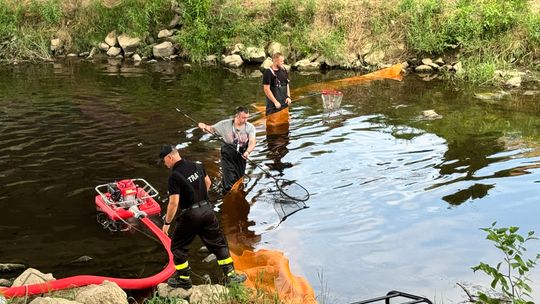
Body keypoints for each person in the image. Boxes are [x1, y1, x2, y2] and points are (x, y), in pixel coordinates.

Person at [159, 145, 246, 289]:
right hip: (207, 210)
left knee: (178, 247)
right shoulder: (197, 166)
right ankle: (231, 276)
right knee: (218, 243)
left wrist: (167, 222)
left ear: (170, 157)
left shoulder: (174, 176)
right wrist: (201, 198)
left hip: (190, 215)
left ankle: (184, 279)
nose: (165, 164)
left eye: (164, 161)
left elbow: (173, 203)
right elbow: (208, 183)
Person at [197, 106, 256, 193]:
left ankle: (236, 191)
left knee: (239, 179)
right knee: (229, 181)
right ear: (237, 116)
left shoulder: (250, 127)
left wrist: (248, 152)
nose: (245, 120)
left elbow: (252, 142)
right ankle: (226, 193)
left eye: (247, 117)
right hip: (227, 153)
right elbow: (210, 129)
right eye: (243, 117)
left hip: (242, 154)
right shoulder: (224, 124)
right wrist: (203, 125)